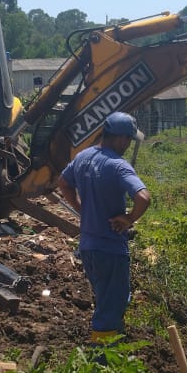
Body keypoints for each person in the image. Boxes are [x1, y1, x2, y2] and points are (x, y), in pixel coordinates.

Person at [56, 112, 152, 346]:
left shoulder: (83, 157)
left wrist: (80, 208)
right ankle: (103, 362)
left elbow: (63, 183)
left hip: (88, 247)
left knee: (107, 299)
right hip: (110, 249)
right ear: (120, 139)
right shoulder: (118, 166)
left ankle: (112, 346)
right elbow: (143, 197)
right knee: (110, 308)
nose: (128, 145)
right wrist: (129, 218)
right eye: (128, 140)